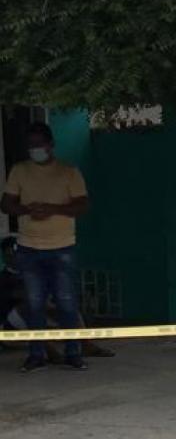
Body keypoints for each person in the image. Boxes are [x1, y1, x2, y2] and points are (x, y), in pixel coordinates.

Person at [0, 122, 91, 372]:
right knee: (35, 303)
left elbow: (82, 206)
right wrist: (26, 210)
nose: (35, 149)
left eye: (39, 144)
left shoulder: (69, 172)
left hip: (62, 247)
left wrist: (53, 209)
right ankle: (37, 354)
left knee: (66, 303)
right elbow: (6, 204)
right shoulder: (19, 171)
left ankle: (74, 353)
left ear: (50, 145)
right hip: (28, 247)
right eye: (30, 145)